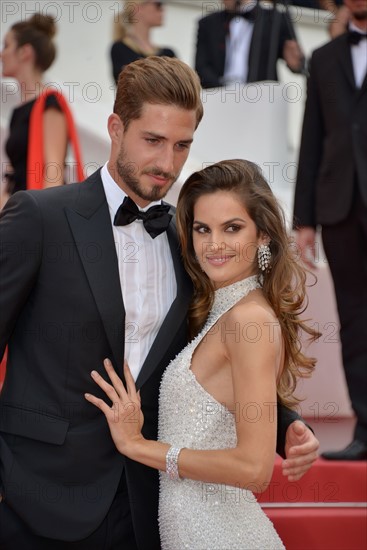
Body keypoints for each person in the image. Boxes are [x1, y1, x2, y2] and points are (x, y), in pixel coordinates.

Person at [0, 56, 318, 549]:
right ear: (115, 127)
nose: (167, 163)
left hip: (149, 504)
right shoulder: (40, 217)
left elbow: (209, 356)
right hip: (38, 498)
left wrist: (286, 426)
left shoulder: (192, 240)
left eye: (182, 145)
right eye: (152, 141)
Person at [85, 158, 320, 549]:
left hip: (224, 535)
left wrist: (140, 446)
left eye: (232, 228)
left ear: (263, 236)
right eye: (202, 229)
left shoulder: (249, 321)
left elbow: (254, 469)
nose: (214, 245)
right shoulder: (221, 310)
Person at [293, 0, 367, 461]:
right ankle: (366, 427)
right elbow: (312, 137)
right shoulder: (324, 58)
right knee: (356, 323)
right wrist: (304, 219)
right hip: (339, 209)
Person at [0, 13, 84, 203]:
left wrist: (37, 221)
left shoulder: (50, 103)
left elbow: (53, 174)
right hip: (17, 213)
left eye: (6, 45)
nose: (1, 54)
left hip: (36, 215)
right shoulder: (18, 113)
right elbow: (12, 179)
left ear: (25, 52)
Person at [195, 0, 305, 89]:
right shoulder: (208, 23)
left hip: (260, 98)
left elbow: (299, 64)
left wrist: (296, 63)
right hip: (219, 97)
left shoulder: (274, 19)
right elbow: (201, 67)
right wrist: (225, 90)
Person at [110, 0, 176, 85]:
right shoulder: (120, 49)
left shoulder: (168, 53)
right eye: (158, 4)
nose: (163, 9)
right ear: (138, 9)